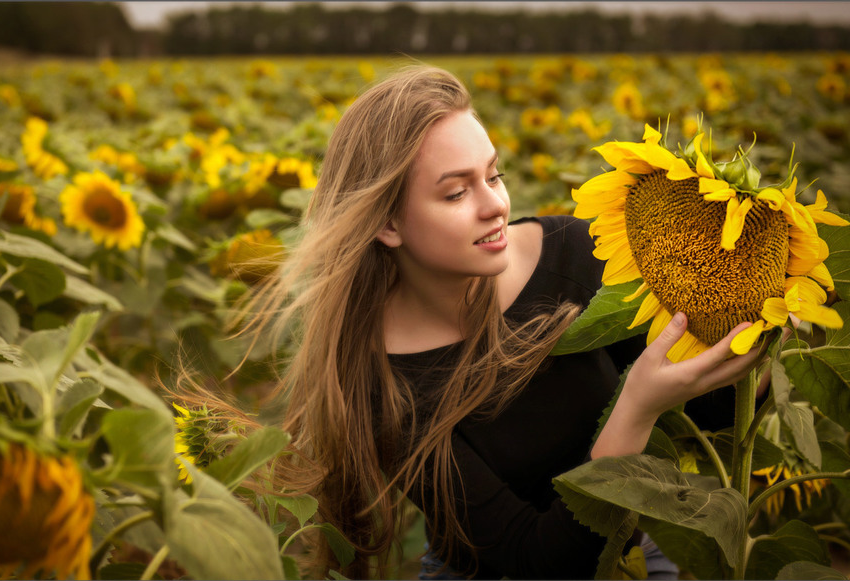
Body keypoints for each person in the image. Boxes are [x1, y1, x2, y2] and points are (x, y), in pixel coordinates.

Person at [236, 64, 768, 580]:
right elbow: (538, 561)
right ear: (388, 223)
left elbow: (714, 411)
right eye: (456, 192)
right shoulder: (386, 384)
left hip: (632, 552)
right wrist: (636, 408)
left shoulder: (576, 254)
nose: (495, 205)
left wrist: (762, 315)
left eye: (494, 175)